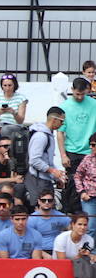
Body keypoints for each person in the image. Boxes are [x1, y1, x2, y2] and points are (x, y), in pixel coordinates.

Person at [60, 77, 96, 213]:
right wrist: (63, 155)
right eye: (77, 94)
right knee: (72, 185)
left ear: (87, 90)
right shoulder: (64, 107)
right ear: (72, 90)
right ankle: (74, 216)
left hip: (91, 150)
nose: (80, 97)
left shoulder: (94, 104)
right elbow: (60, 133)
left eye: (82, 94)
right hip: (72, 151)